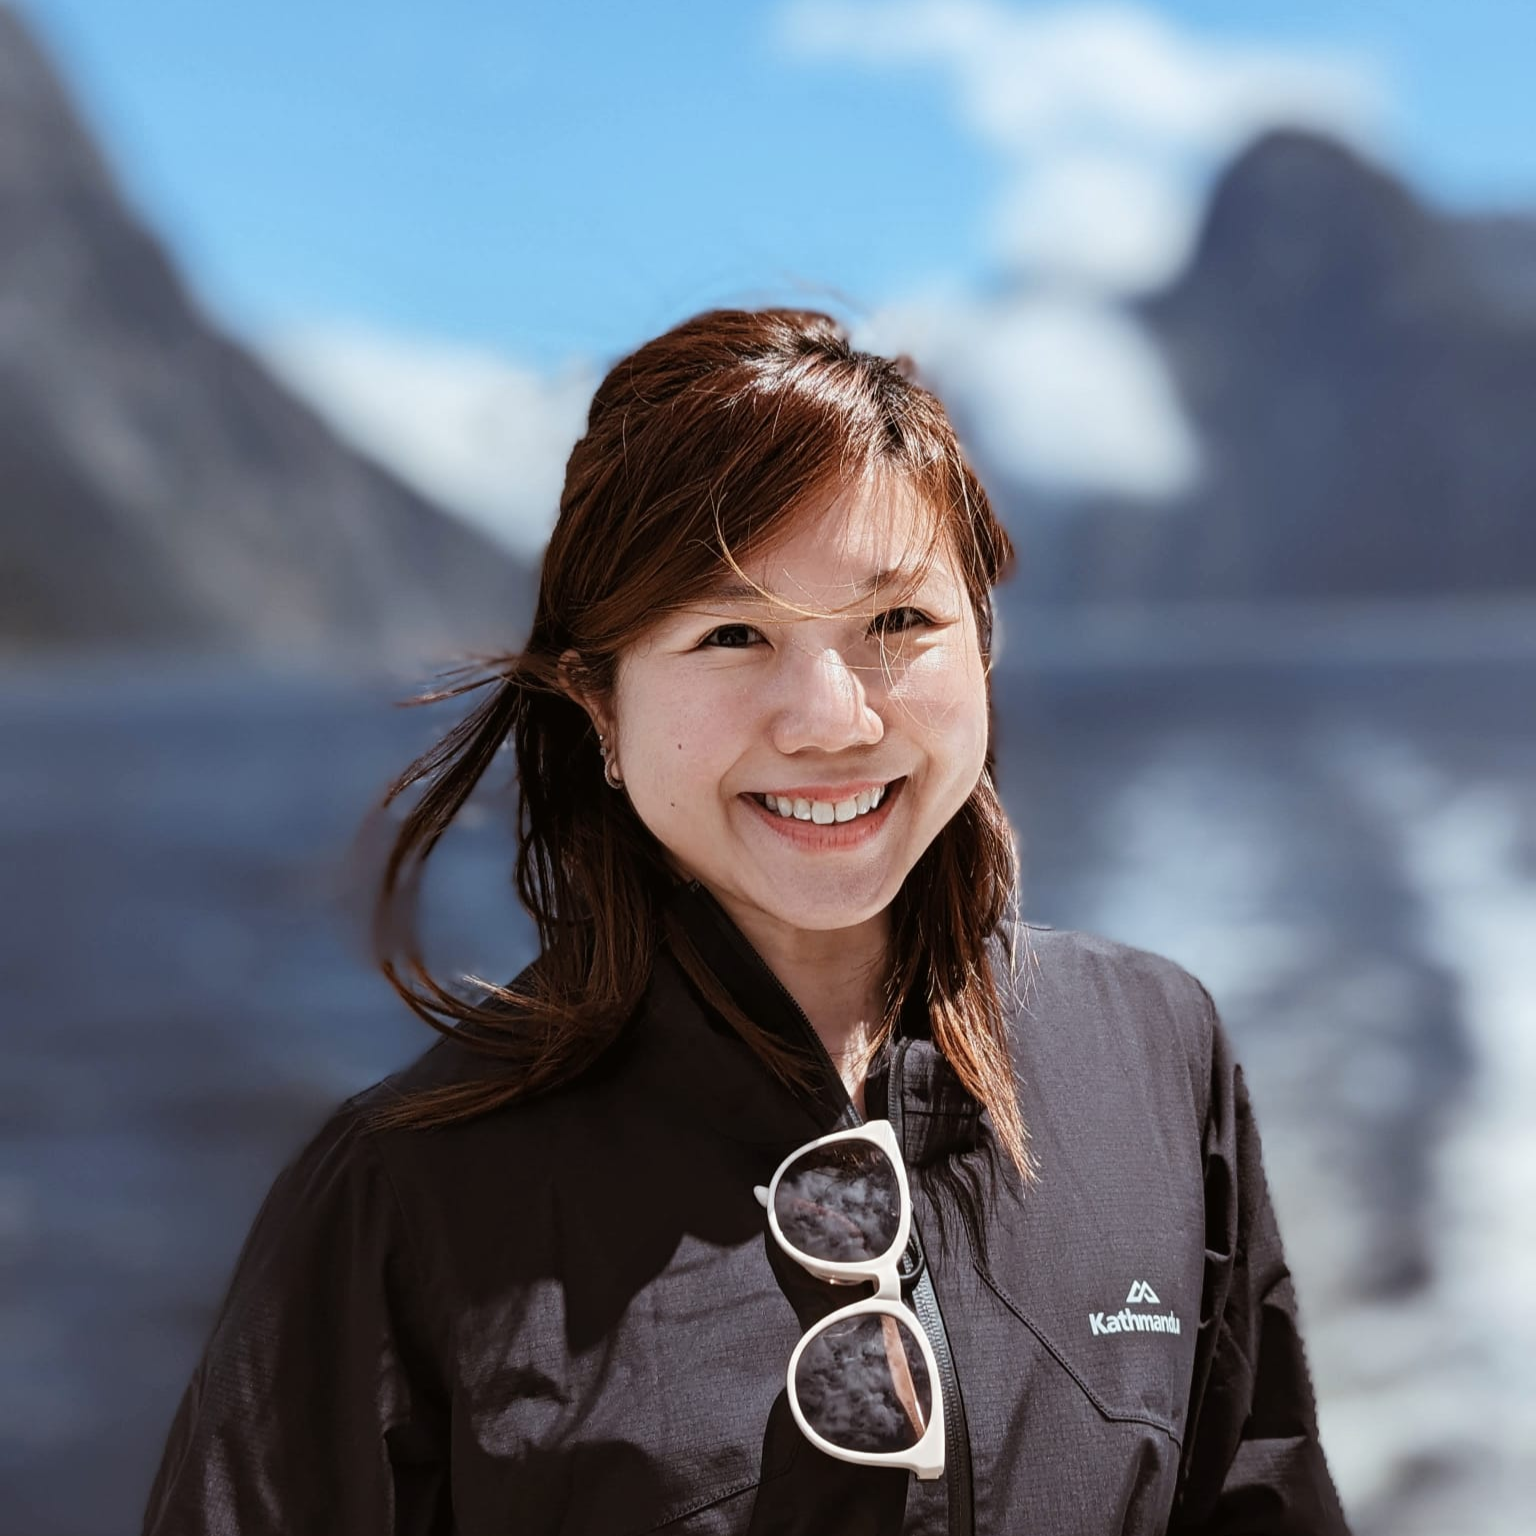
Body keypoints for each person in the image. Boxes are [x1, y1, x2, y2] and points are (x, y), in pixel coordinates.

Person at [142, 307, 1351, 1535]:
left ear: (981, 647)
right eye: (733, 634)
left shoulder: (1155, 1053)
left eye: (898, 623)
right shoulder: (405, 1198)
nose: (831, 720)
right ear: (600, 708)